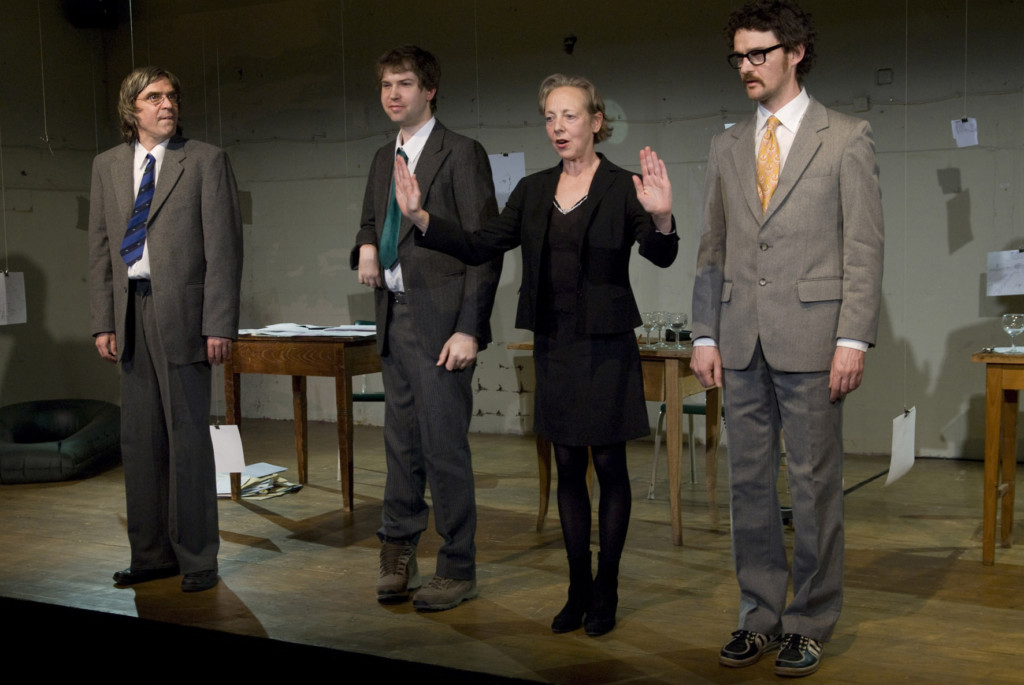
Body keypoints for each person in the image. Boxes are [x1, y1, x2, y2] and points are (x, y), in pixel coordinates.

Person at [395, 74, 678, 636]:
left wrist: (664, 217)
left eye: (570, 116)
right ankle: (577, 588)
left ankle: (607, 588)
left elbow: (661, 254)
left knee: (608, 465)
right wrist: (421, 218)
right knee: (569, 466)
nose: (558, 127)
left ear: (596, 121)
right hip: (555, 345)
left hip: (606, 346)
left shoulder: (624, 186)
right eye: (550, 117)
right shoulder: (530, 189)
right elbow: (481, 244)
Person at [690, 0, 884, 676]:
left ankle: (810, 618)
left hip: (813, 337)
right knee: (748, 486)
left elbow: (862, 247)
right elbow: (712, 249)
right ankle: (761, 615)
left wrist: (853, 338)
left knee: (813, 487)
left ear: (796, 51)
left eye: (758, 53)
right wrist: (705, 329)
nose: (745, 66)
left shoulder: (846, 136)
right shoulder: (725, 145)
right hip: (741, 340)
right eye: (738, 55)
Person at [350, 45, 501, 612]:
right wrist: (366, 243)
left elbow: (484, 251)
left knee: (443, 449)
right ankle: (397, 548)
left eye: (405, 83)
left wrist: (470, 329)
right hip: (393, 315)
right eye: (386, 84)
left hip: (442, 323)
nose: (393, 94)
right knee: (400, 447)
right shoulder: (379, 157)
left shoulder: (461, 154)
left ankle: (458, 566)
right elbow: (372, 217)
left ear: (429, 89)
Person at [89, 66, 243, 593]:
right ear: (131, 108)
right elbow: (101, 252)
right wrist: (103, 321)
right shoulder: (107, 166)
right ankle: (151, 555)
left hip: (185, 316)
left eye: (172, 96)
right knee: (140, 442)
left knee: (188, 443)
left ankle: (198, 558)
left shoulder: (204, 160)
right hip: (130, 311)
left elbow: (225, 250)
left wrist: (218, 322)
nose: (167, 104)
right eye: (154, 97)